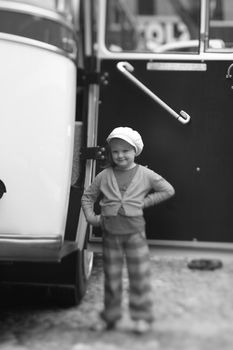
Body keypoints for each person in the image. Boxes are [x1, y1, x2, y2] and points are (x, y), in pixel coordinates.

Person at [81, 126, 175, 334]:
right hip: (110, 234)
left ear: (135, 151)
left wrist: (144, 203)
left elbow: (168, 190)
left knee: (139, 276)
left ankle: (141, 317)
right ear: (111, 153)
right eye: (115, 151)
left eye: (125, 150)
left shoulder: (145, 174)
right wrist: (91, 217)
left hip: (135, 234)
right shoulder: (104, 175)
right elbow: (88, 197)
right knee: (112, 278)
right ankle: (110, 317)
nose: (120, 155)